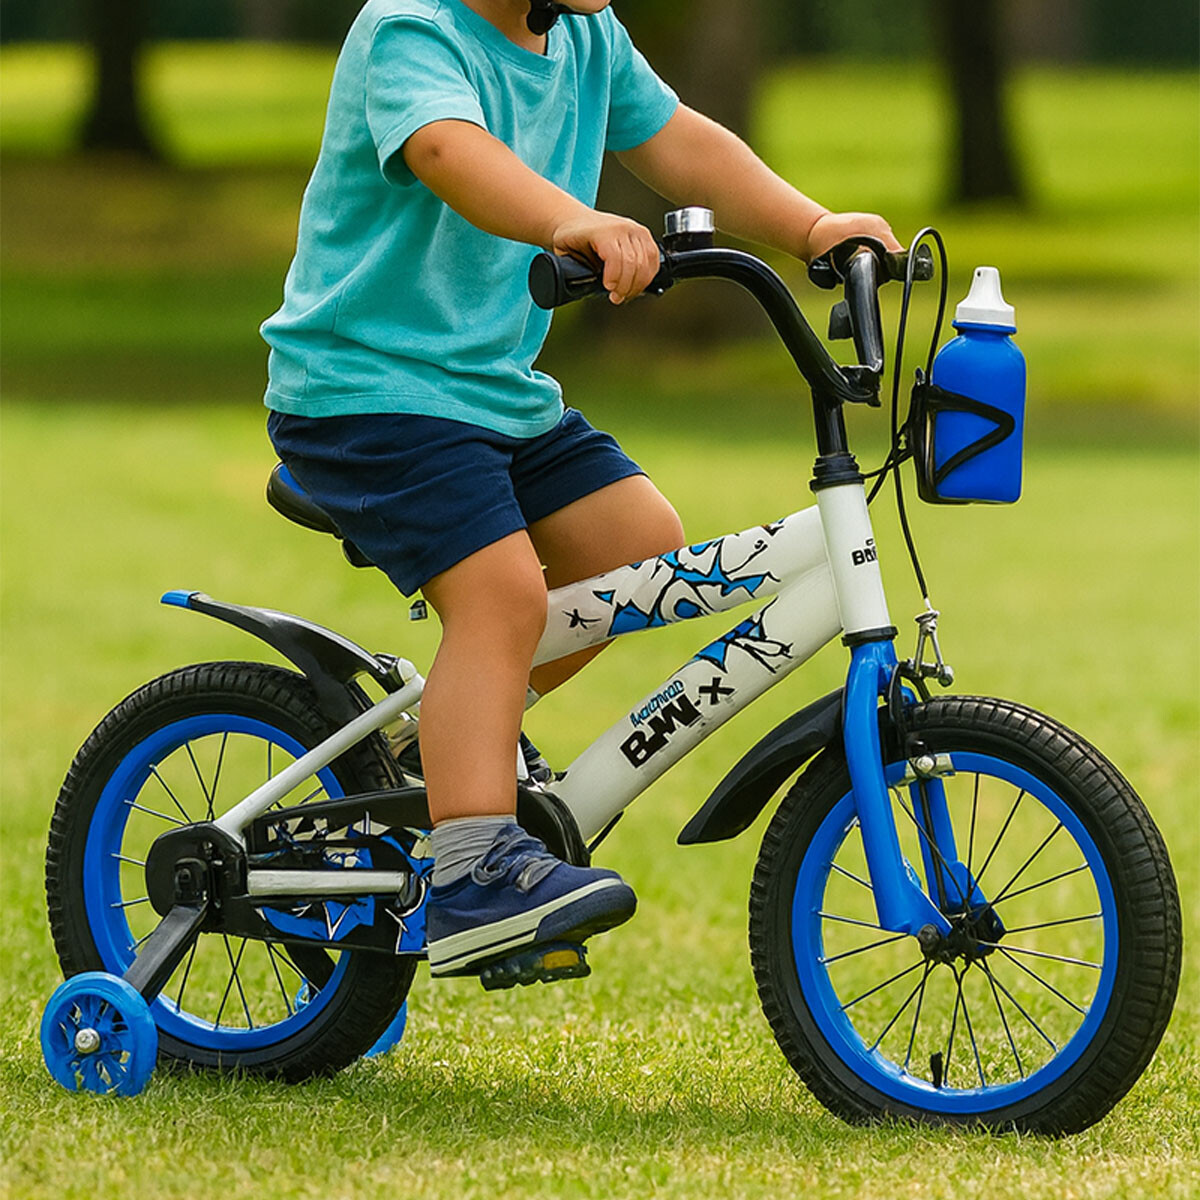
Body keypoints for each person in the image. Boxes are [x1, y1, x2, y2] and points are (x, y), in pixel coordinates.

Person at [261, 0, 901, 987]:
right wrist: (571, 217)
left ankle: (439, 757)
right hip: (367, 393)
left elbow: (682, 142)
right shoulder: (411, 28)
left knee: (636, 545)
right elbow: (447, 151)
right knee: (504, 597)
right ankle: (472, 871)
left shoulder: (585, 39)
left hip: (494, 394)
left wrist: (809, 226)